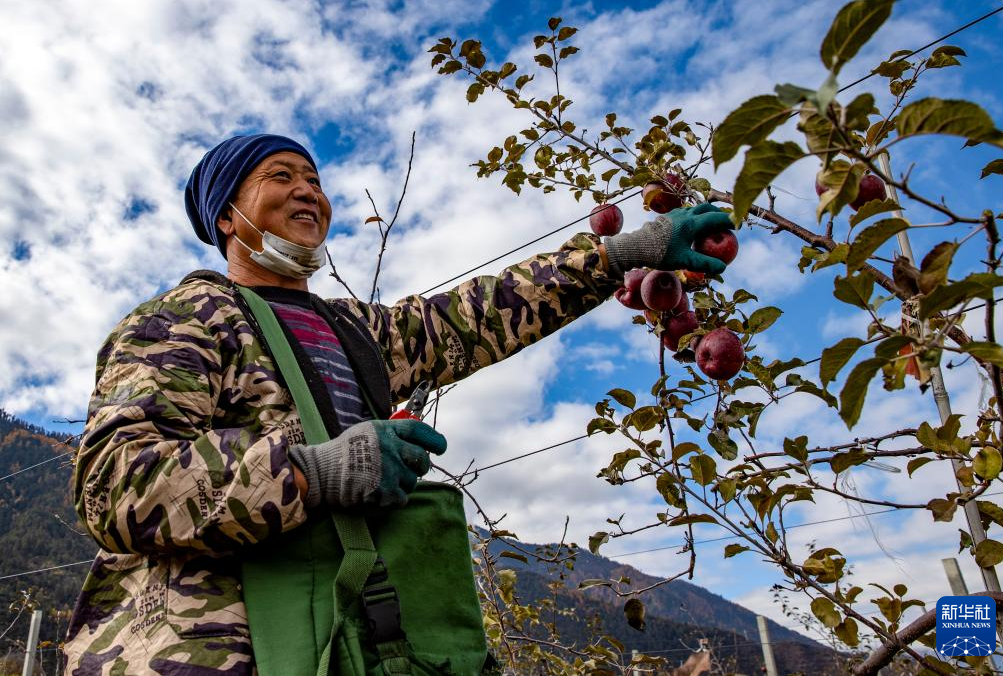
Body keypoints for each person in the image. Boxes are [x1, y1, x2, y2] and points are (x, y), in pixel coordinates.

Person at [64, 134, 733, 674]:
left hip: (345, 639)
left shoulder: (355, 330)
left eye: (314, 179)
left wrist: (622, 254)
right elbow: (113, 483)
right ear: (225, 215)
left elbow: (479, 313)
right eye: (280, 176)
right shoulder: (185, 320)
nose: (308, 190)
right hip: (211, 651)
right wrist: (312, 472)